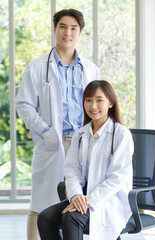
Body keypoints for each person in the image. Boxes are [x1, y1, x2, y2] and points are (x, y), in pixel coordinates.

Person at [15, 9, 100, 240]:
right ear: (55, 29)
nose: (67, 32)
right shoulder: (37, 67)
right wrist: (46, 132)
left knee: (78, 202)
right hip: (52, 142)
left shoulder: (90, 69)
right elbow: (23, 104)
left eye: (73, 28)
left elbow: (97, 106)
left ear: (80, 32)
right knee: (41, 204)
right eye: (63, 26)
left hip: (83, 143)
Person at [37, 80, 134, 240]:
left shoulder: (121, 134)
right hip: (83, 195)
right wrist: (76, 196)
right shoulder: (80, 135)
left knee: (71, 218)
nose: (93, 106)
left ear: (110, 103)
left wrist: (89, 200)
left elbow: (117, 178)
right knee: (45, 218)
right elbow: (72, 170)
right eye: (88, 100)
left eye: (99, 100)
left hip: (108, 200)